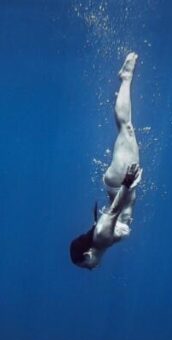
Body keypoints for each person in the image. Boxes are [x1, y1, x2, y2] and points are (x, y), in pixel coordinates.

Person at [70, 52, 143, 270]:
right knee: (127, 130)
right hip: (117, 185)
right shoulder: (99, 242)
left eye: (86, 265)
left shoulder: (101, 238)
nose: (91, 268)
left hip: (120, 182)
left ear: (87, 254)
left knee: (126, 128)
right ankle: (125, 80)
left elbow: (111, 213)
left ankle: (125, 77)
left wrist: (127, 184)